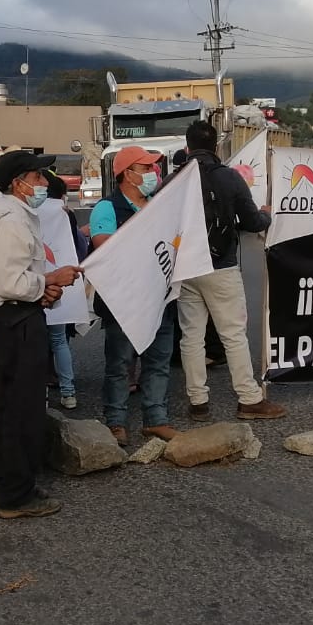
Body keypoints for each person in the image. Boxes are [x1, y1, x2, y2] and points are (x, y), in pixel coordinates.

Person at [0, 149, 80, 518]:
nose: (43, 183)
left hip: (16, 317)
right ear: (18, 183)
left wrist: (42, 289)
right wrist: (49, 280)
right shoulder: (12, 221)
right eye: (37, 177)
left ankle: (5, 483)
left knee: (10, 406)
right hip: (17, 321)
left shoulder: (12, 214)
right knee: (22, 409)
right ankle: (16, 495)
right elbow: (10, 282)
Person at [176, 121, 285, 420]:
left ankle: (197, 401)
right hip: (221, 266)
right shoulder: (230, 178)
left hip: (185, 267)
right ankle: (249, 399)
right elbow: (252, 222)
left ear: (187, 147)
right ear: (217, 148)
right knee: (234, 334)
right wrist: (265, 216)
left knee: (191, 336)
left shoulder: (176, 179)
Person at [91, 145, 179, 439]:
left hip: (158, 298)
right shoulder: (106, 207)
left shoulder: (160, 204)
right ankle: (116, 422)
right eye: (146, 168)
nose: (154, 173)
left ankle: (156, 417)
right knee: (120, 364)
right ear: (127, 174)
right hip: (123, 301)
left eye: (153, 167)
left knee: (158, 362)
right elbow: (103, 244)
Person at [43, 172, 81, 410]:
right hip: (61, 282)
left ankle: (41, 396)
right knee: (59, 340)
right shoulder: (67, 215)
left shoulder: (26, 213)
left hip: (34, 285)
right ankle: (69, 393)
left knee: (35, 343)